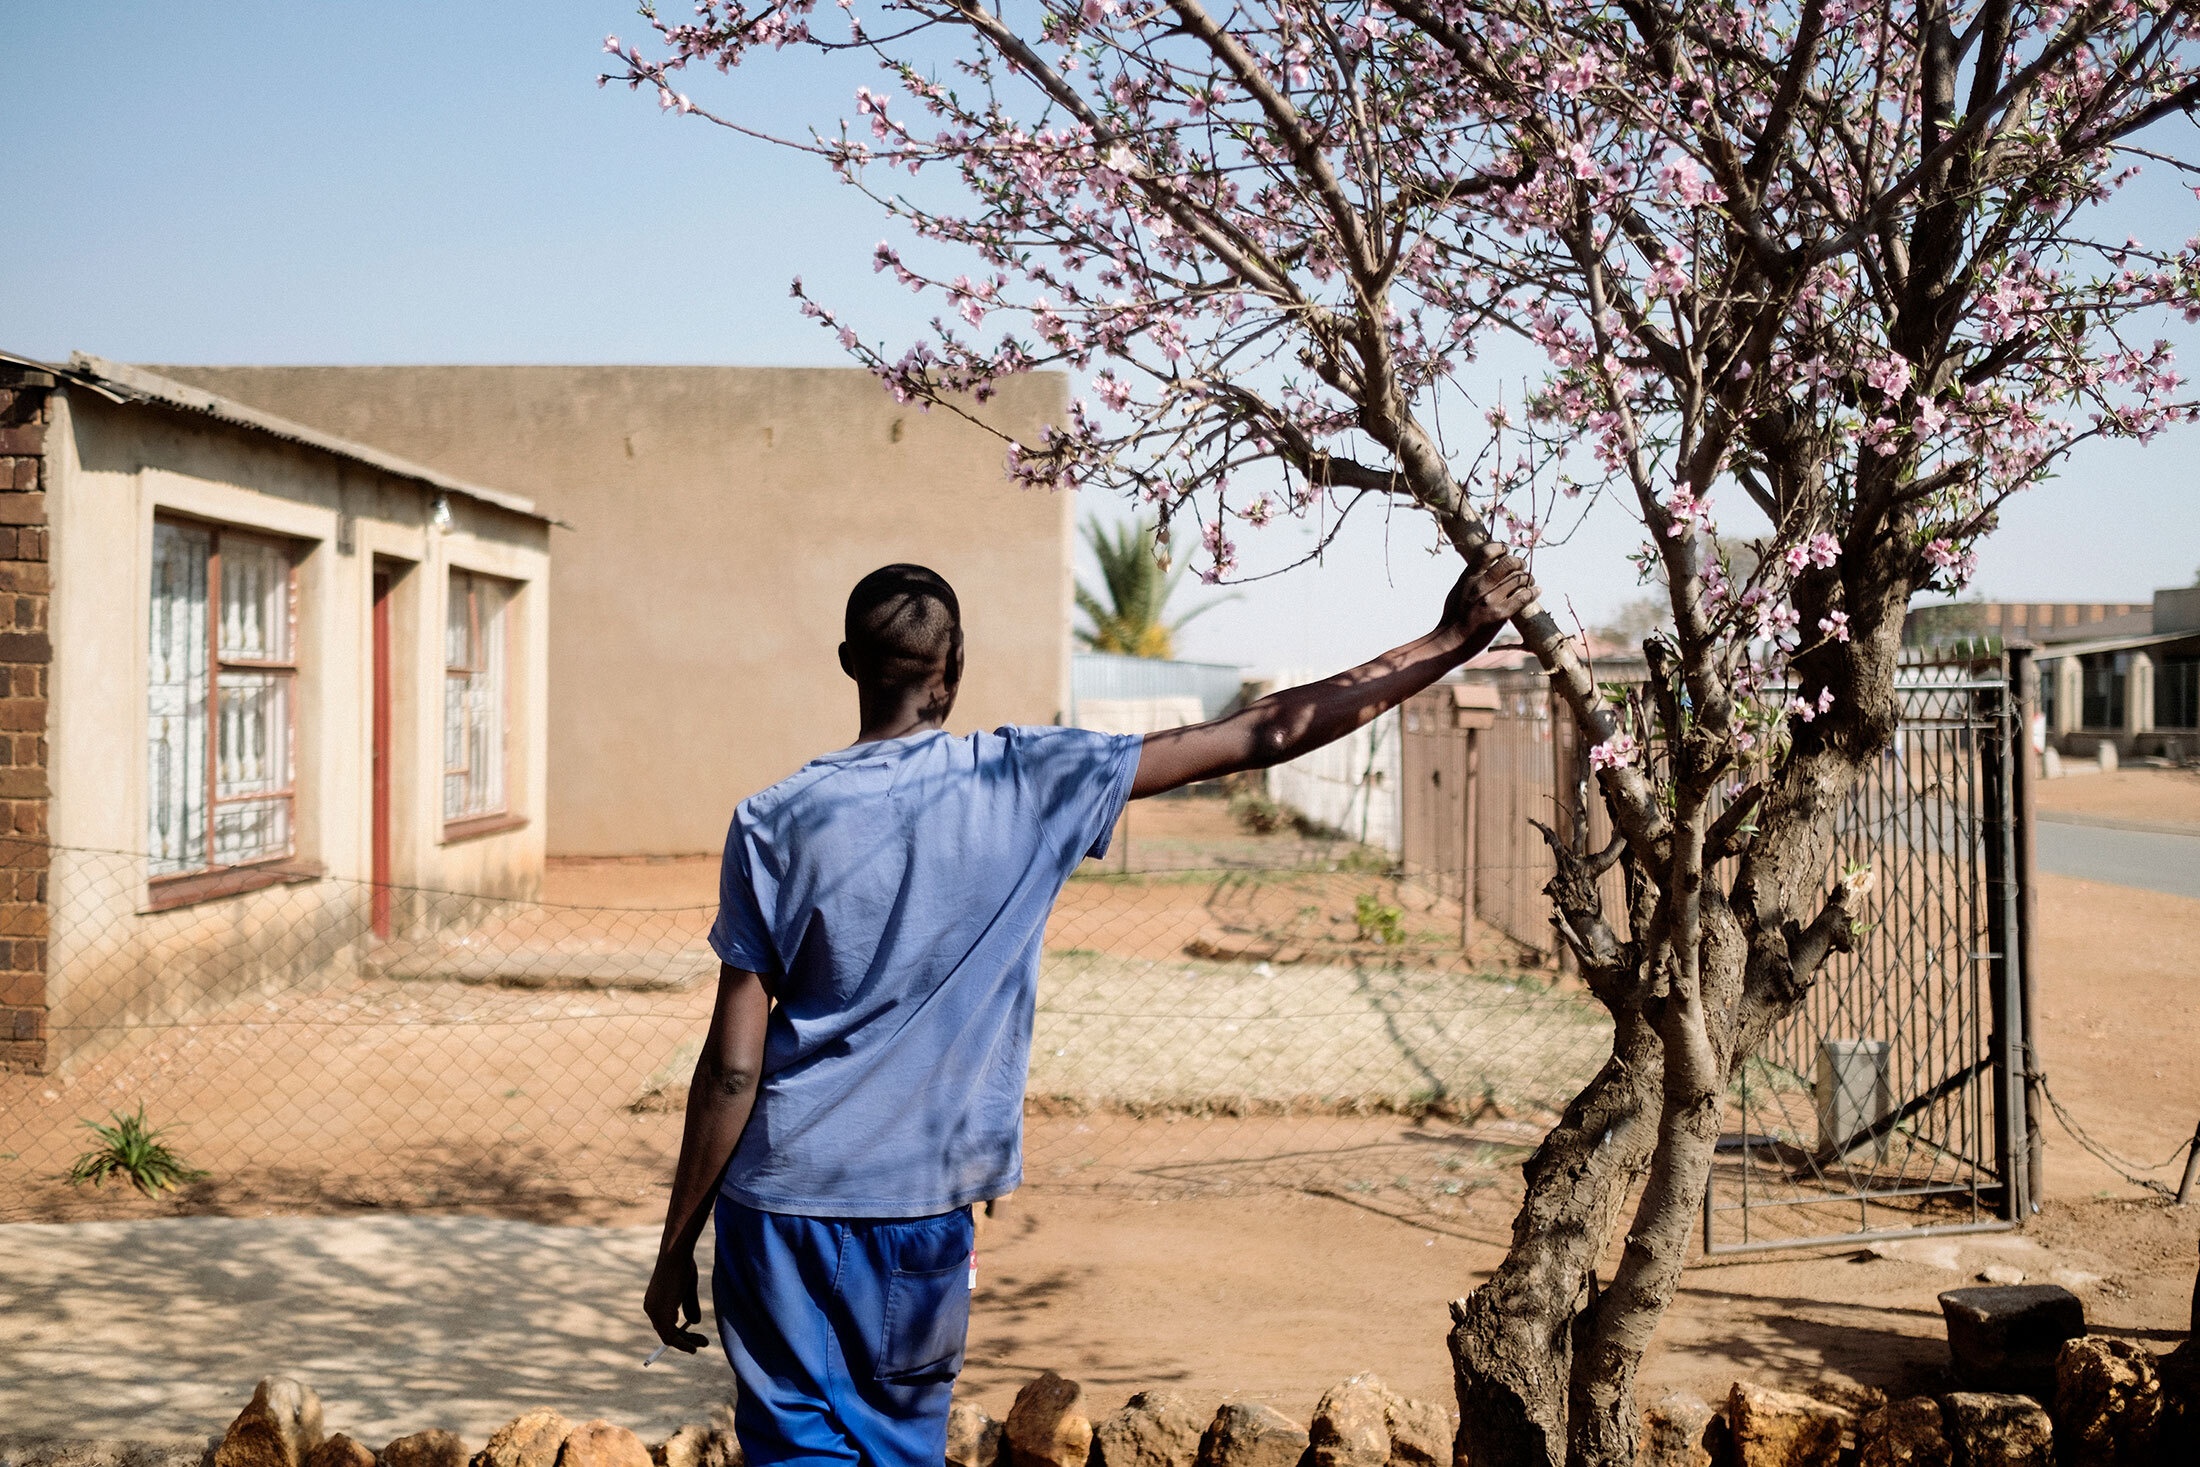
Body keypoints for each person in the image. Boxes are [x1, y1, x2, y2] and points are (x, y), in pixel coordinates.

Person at [643, 554, 1536, 1467]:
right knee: (899, 1445)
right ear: (955, 666)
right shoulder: (1030, 782)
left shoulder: (772, 820)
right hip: (918, 1213)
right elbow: (1259, 733)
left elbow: (733, 1068)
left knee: (791, 1450)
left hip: (778, 1204)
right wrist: (1448, 640)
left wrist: (677, 1242)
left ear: (847, 662)